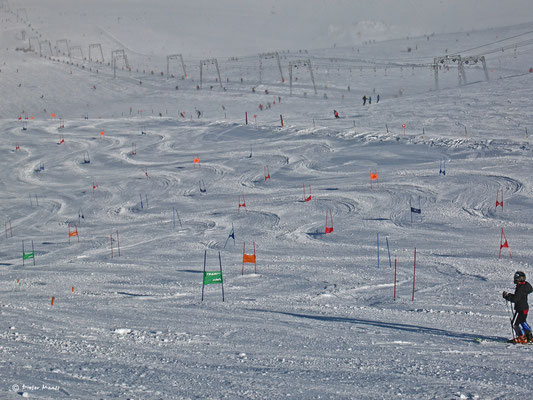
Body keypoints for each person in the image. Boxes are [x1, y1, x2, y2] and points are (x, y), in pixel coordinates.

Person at [503, 271, 533, 343]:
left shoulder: (520, 288)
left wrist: (507, 296)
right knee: (522, 322)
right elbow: (518, 297)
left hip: (520, 308)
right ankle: (529, 336)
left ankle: (521, 337)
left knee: (515, 324)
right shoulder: (525, 286)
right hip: (524, 308)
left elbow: (515, 299)